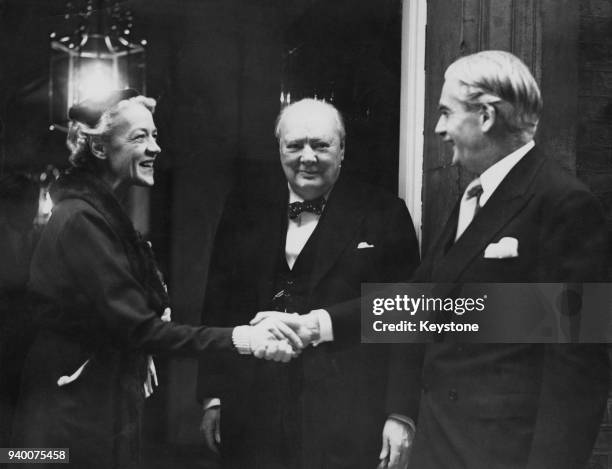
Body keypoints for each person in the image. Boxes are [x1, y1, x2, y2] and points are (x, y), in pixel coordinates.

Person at [10, 89, 303, 469]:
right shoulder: (81, 219)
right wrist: (244, 339)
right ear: (100, 150)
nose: (155, 148)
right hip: (66, 416)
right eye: (139, 137)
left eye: (155, 136)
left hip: (87, 405)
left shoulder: (97, 214)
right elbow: (140, 329)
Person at [392, 51, 610, 468]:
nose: (438, 129)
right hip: (441, 445)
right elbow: (420, 304)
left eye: (445, 113)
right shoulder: (475, 197)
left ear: (487, 117)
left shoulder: (564, 202)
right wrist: (319, 325)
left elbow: (577, 367)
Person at [196, 98, 420, 469]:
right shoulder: (243, 209)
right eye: (295, 145)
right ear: (279, 148)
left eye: (321, 145)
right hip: (253, 408)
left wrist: (401, 413)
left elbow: (407, 317)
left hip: (347, 413)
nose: (307, 157)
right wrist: (213, 396)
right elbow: (219, 302)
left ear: (342, 149)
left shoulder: (384, 213)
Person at [0, 174, 39, 447]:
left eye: (34, 203)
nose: (31, 210)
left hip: (33, 345)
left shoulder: (44, 239)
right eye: (25, 203)